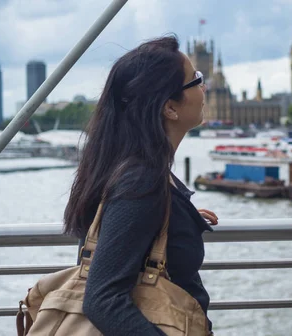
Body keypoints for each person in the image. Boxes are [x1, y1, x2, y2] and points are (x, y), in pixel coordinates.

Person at [63, 35, 218, 336]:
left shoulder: (140, 171)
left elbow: (131, 228)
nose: (204, 88)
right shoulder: (140, 180)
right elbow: (102, 300)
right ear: (170, 108)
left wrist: (180, 217)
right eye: (196, 80)